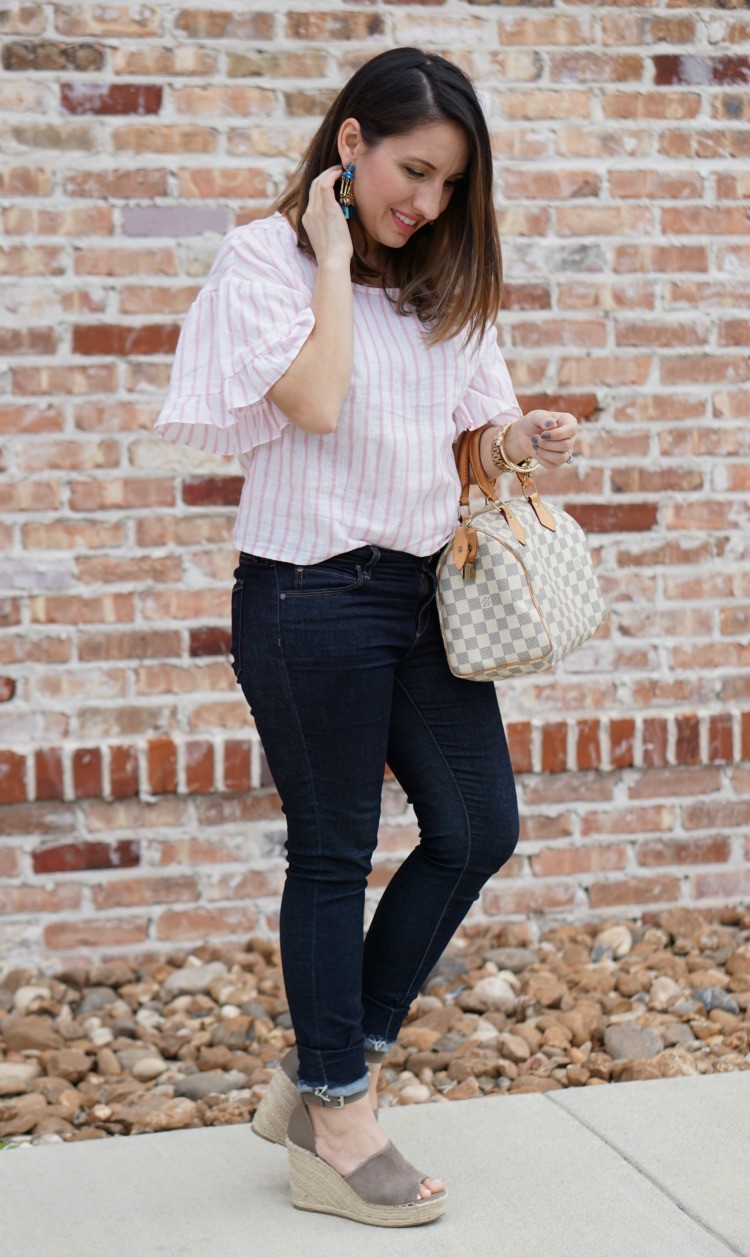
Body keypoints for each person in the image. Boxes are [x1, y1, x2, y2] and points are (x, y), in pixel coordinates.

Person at [154, 45, 578, 1228]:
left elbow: (466, 442)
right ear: (353, 144)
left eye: (448, 185)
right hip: (306, 599)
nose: (428, 204)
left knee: (479, 825)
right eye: (412, 172)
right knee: (334, 852)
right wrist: (333, 256)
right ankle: (340, 1114)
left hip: (418, 594)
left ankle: (317, 1070)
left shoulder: (443, 280)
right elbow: (315, 402)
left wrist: (520, 437)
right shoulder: (265, 259)